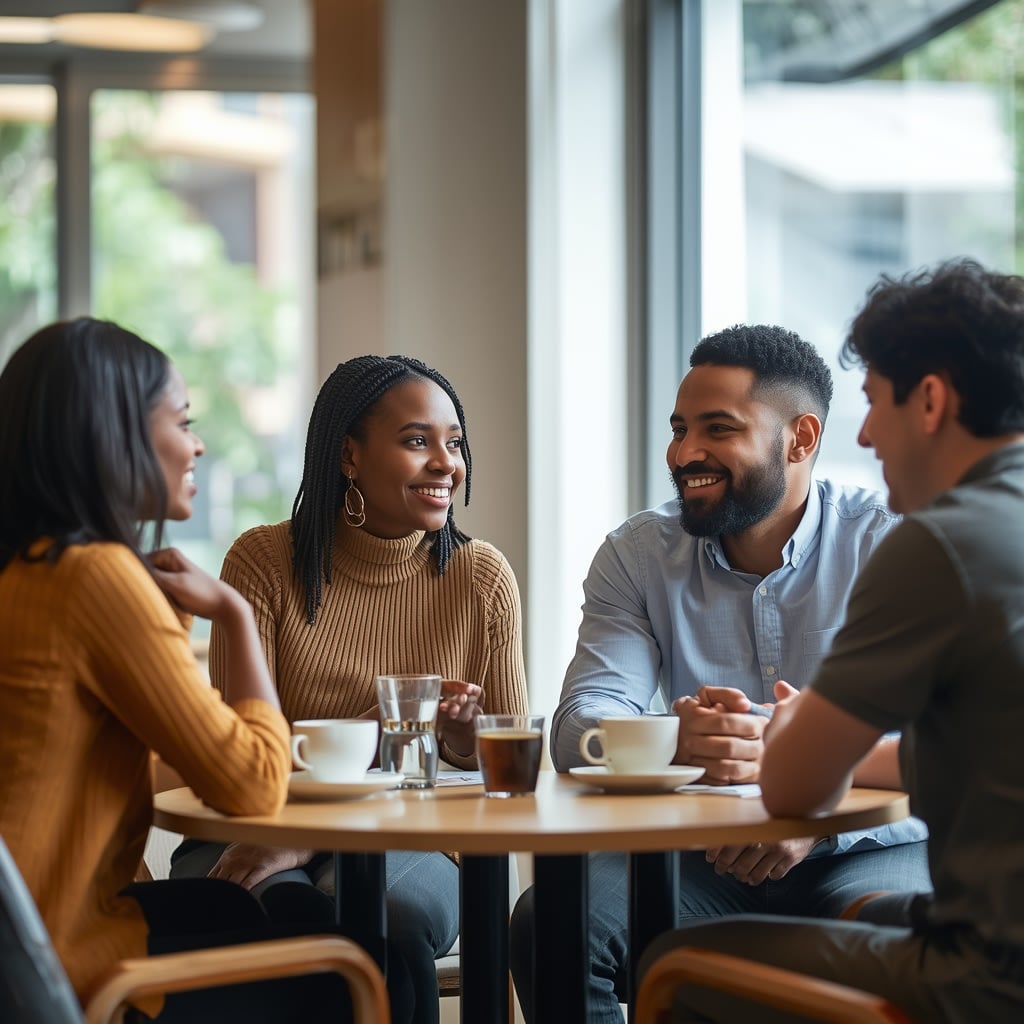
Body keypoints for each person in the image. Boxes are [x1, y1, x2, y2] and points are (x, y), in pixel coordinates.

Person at [639, 259, 1024, 1023]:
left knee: (669, 963)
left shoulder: (935, 545)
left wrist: (789, 725)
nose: (868, 433)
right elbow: (975, 746)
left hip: (985, 971)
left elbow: (789, 791)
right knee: (851, 921)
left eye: (876, 402)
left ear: (932, 400)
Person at [509, 324, 931, 1022]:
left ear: (800, 439)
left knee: (897, 932)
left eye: (717, 428)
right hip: (703, 859)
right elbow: (577, 728)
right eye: (679, 428)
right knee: (553, 920)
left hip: (861, 845)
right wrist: (674, 739)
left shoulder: (889, 545)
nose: (683, 453)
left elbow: (939, 739)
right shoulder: (638, 555)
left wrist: (810, 809)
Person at [0, 317, 360, 1022]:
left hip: (24, 940)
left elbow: (161, 744)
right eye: (182, 420)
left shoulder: (28, 570)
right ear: (111, 433)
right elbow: (254, 787)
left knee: (223, 902)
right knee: (344, 976)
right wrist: (236, 616)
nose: (197, 444)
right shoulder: (97, 579)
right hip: (65, 969)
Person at [170, 353, 529, 1024]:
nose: (447, 462)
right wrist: (373, 738)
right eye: (417, 440)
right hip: (260, 821)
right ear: (349, 457)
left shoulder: (481, 578)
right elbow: (239, 759)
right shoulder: (262, 562)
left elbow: (510, 778)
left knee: (384, 920)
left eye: (454, 443)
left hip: (412, 843)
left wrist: (460, 742)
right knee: (291, 914)